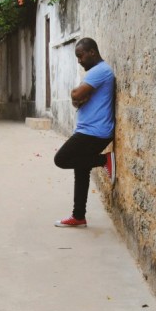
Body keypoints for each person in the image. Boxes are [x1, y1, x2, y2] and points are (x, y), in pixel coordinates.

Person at [53, 38, 116, 228]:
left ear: (92, 52)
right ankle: (78, 216)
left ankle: (104, 160)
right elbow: (77, 99)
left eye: (80, 56)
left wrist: (76, 95)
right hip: (91, 131)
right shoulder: (97, 72)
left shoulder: (100, 71)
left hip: (93, 132)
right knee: (81, 170)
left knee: (61, 159)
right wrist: (77, 97)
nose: (79, 61)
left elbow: (76, 96)